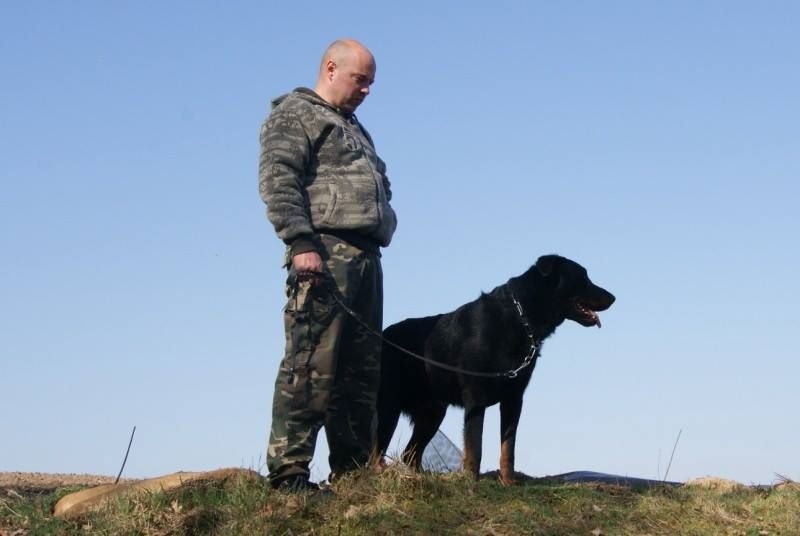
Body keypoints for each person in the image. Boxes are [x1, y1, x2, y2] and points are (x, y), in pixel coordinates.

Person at [258, 39, 397, 491]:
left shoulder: (355, 128)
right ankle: (289, 473)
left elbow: (382, 185)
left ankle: (354, 475)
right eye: (361, 80)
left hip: (366, 257)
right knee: (310, 363)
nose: (367, 90)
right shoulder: (295, 113)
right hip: (323, 252)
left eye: (371, 83)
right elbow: (278, 178)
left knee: (361, 372)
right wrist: (301, 241)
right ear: (331, 69)